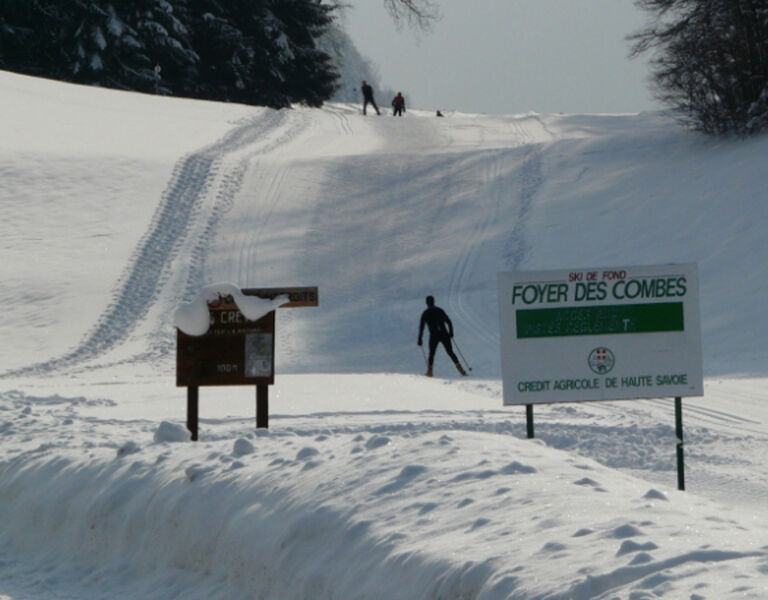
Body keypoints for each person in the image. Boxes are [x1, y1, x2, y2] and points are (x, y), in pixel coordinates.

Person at [417, 295, 467, 377]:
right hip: (444, 334)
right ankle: (461, 370)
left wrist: (420, 338)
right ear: (434, 302)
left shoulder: (425, 313)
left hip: (434, 335)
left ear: (426, 303)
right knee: (450, 352)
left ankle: (430, 372)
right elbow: (449, 321)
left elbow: (422, 327)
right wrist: (451, 332)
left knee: (432, 353)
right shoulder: (440, 310)